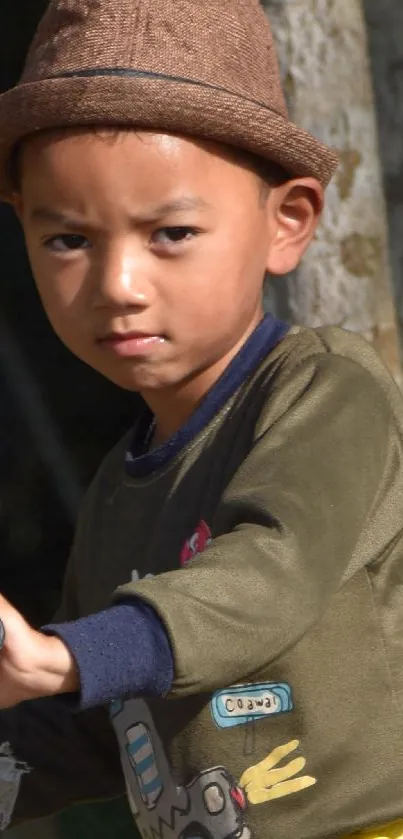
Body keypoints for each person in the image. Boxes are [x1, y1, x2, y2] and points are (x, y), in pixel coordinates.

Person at [0, 1, 402, 837]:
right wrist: (53, 684)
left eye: (171, 232)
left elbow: (268, 575)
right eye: (67, 240)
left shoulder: (327, 393)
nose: (118, 283)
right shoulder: (122, 486)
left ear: (285, 223)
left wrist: (68, 653)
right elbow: (99, 725)